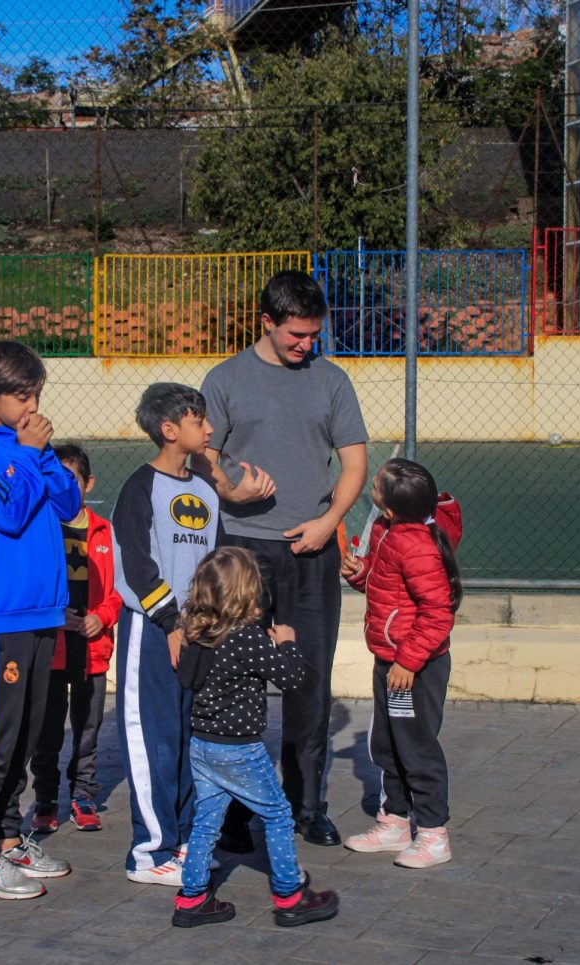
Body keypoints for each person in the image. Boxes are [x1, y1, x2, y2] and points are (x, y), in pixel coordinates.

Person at [198, 269, 368, 849]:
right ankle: (237, 812)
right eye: (296, 335)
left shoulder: (333, 381)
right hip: (243, 553)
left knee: (310, 682)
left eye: (313, 335)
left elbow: (354, 464)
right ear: (266, 322)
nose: (306, 345)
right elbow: (205, 458)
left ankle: (307, 805)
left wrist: (328, 523)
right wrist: (229, 491)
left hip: (311, 548)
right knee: (235, 681)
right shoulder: (224, 380)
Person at [0, 339, 81, 899]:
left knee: (27, 731)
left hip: (43, 609)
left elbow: (68, 505)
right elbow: (6, 509)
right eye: (21, 395)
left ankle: (8, 837)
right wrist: (26, 452)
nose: (31, 405)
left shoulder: (30, 445)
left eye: (36, 394)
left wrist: (42, 455)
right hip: (4, 611)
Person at [172, 547, 340, 929]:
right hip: (239, 749)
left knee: (206, 821)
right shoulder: (246, 637)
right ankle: (290, 895)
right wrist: (287, 642)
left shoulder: (197, 634)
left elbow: (185, 679)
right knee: (279, 815)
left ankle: (192, 898)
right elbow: (293, 678)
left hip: (202, 745)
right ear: (247, 593)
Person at [112, 382, 221, 885]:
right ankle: (149, 854)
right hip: (152, 634)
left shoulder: (204, 491)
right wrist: (170, 623)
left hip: (196, 634)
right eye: (201, 422)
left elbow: (213, 565)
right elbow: (137, 567)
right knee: (153, 741)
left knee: (187, 741)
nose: (211, 429)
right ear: (170, 429)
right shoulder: (140, 487)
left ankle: (180, 845)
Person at [340, 458, 463, 868]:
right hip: (391, 659)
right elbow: (386, 584)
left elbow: (438, 612)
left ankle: (432, 833)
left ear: (390, 507)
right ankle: (394, 820)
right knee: (388, 743)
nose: (370, 487)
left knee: (417, 746)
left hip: (414, 668)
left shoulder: (417, 545)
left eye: (375, 486)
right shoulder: (388, 531)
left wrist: (409, 661)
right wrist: (360, 574)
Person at [25, 443, 123, 835]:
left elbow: (119, 590)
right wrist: (55, 614)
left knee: (87, 728)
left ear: (88, 483)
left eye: (73, 480)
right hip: (52, 648)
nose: (66, 487)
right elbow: (32, 585)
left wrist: (102, 616)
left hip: (92, 650)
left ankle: (84, 796)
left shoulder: (105, 531)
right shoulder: (41, 528)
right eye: (58, 479)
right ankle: (46, 799)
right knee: (47, 731)